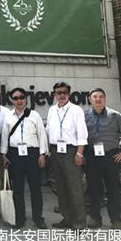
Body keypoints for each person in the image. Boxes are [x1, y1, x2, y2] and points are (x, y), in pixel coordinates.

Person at [84, 88, 121, 230]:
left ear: (105, 99)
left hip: (111, 157)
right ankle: (95, 218)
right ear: (90, 100)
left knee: (113, 189)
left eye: (101, 96)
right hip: (92, 157)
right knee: (93, 189)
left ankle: (116, 220)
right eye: (95, 97)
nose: (98, 99)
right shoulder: (84, 115)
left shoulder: (114, 115)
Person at [1, 87, 48, 229]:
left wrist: (42, 154)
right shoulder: (8, 116)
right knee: (18, 189)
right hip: (15, 155)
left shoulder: (34, 115)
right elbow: (4, 136)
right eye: (15, 98)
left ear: (26, 99)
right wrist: (4, 154)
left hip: (32, 154)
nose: (19, 100)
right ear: (12, 100)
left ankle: (38, 218)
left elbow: (42, 135)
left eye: (21, 97)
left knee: (35, 188)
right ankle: (19, 218)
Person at [46, 81, 88, 230]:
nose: (62, 95)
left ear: (69, 94)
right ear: (54, 95)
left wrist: (79, 153)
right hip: (55, 150)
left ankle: (80, 223)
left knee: (75, 188)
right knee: (61, 187)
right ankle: (67, 218)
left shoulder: (76, 110)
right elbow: (48, 130)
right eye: (59, 92)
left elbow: (82, 134)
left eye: (64, 92)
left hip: (71, 151)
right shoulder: (52, 110)